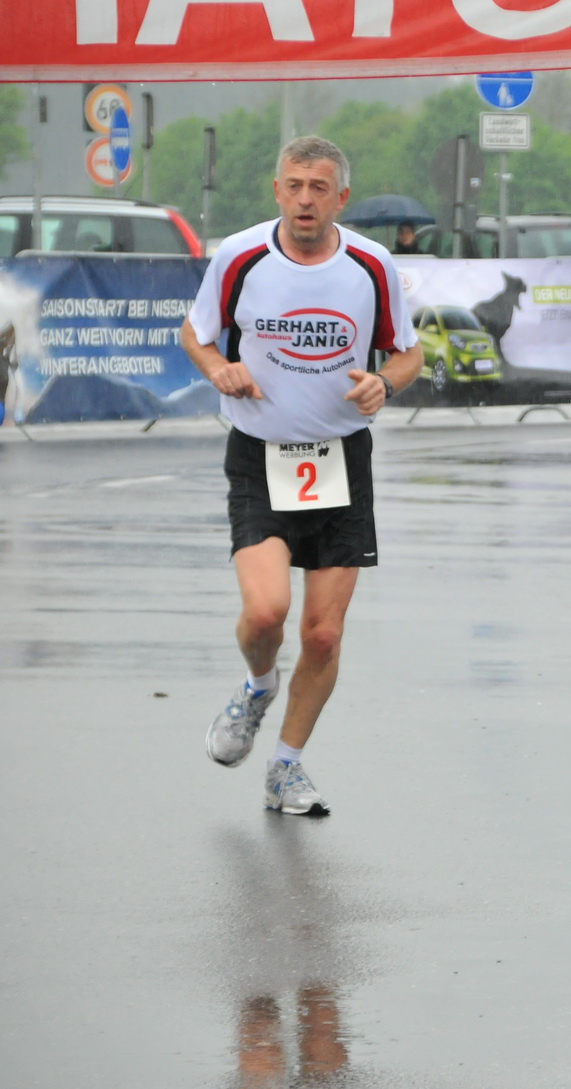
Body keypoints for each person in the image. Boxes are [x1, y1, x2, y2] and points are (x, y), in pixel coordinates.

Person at [181, 135, 423, 815]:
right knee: (266, 611)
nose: (305, 199)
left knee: (322, 633)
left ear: (341, 197)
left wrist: (383, 382)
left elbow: (409, 353)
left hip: (340, 457)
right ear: (277, 190)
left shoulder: (372, 266)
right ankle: (258, 685)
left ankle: (286, 765)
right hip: (260, 452)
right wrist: (218, 369)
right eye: (294, 185)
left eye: (319, 187)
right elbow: (195, 333)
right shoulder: (240, 257)